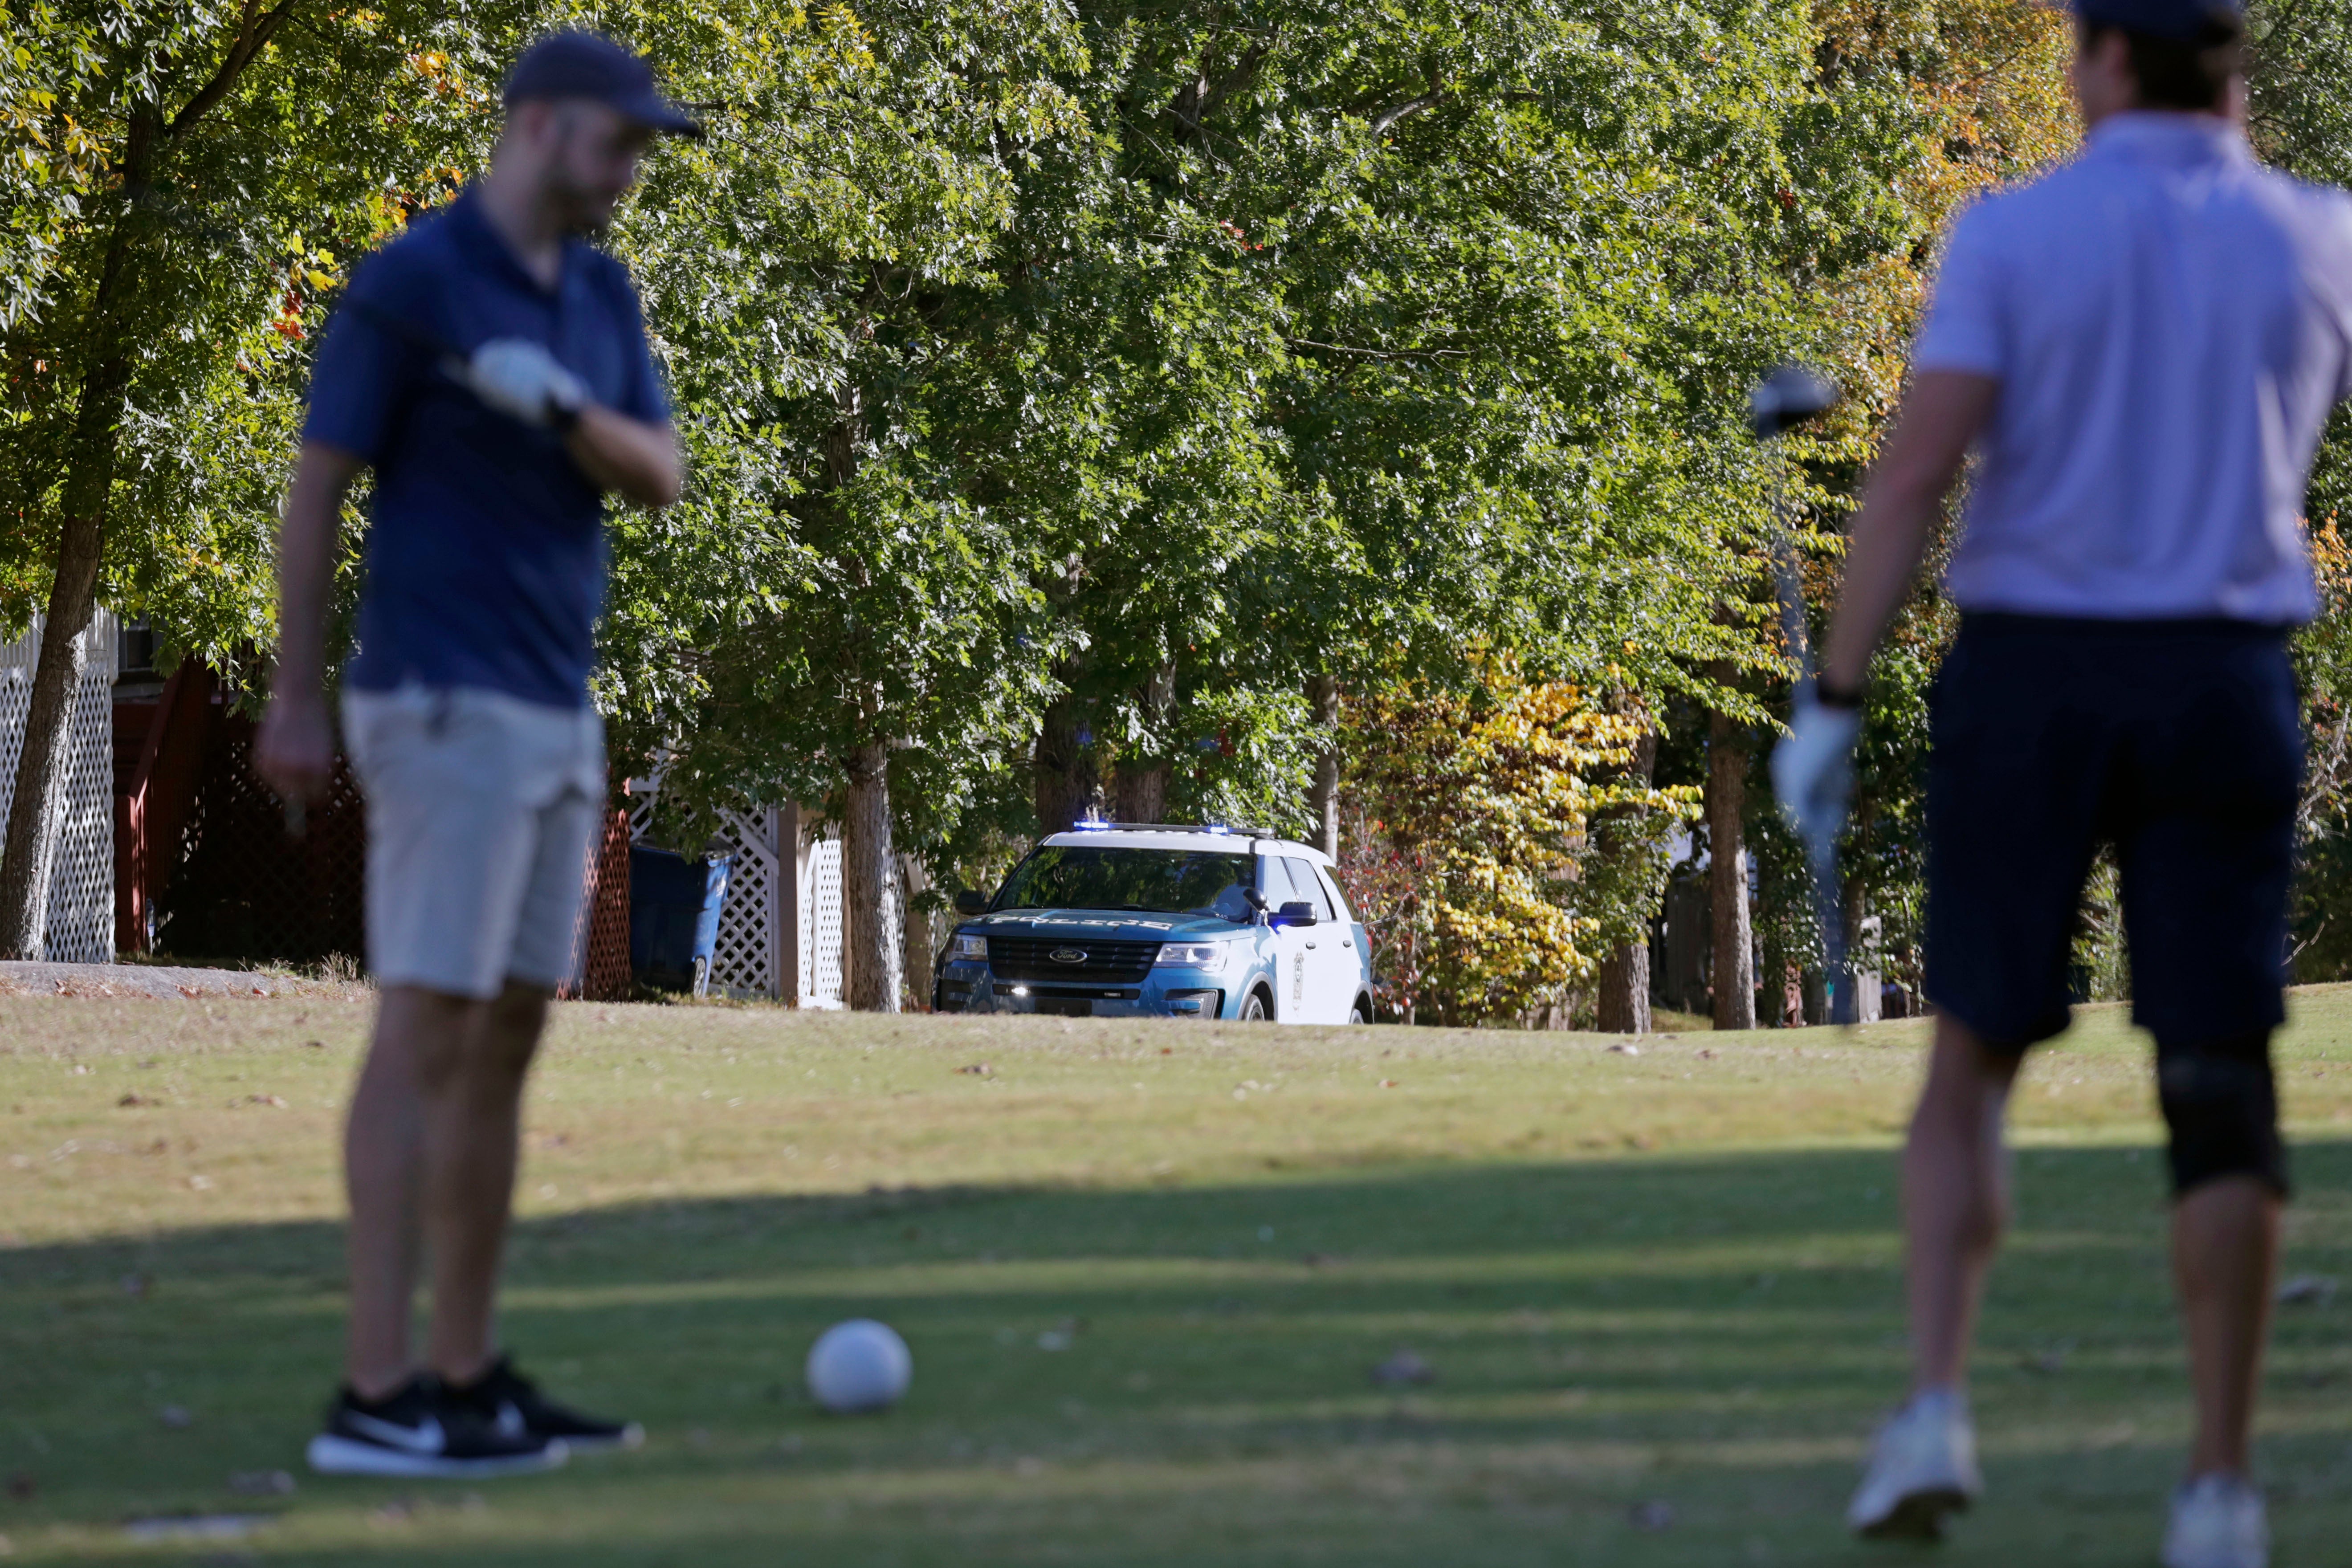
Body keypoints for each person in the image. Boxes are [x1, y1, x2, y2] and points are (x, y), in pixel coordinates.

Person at [1773, 1, 2352, 1564]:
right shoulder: (2322, 236)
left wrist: (1831, 698)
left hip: (2033, 674)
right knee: (2216, 1077)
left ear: (2100, 56)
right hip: (2225, 676)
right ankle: (2219, 1489)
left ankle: (1935, 1406)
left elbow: (1913, 471)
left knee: (1968, 1053)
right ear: (2234, 63)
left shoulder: (2014, 235)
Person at [255, 32, 694, 1478]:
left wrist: (557, 407)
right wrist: (297, 695)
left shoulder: (599, 292)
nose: (633, 168)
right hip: (437, 699)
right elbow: (316, 496)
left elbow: (661, 472)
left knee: (508, 1033)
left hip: (556, 704)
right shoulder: (413, 281)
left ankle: (469, 1372)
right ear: (539, 126)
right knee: (425, 1024)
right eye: (618, 140)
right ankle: (376, 1392)